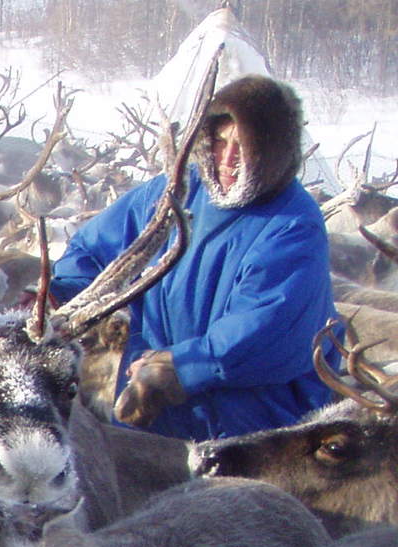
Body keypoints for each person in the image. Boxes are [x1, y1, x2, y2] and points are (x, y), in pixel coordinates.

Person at [50, 75, 339, 440]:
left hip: (245, 414)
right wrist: (61, 297)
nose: (229, 158)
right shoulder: (178, 191)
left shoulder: (293, 224)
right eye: (220, 141)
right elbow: (94, 252)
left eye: (245, 146)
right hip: (145, 388)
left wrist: (178, 368)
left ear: (273, 151)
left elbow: (263, 331)